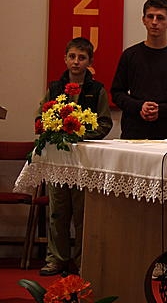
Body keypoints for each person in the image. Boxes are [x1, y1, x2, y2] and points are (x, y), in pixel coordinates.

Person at [38, 37, 113, 276]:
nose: (76, 62)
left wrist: (81, 133)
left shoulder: (97, 90)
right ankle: (56, 259)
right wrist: (55, 130)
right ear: (65, 59)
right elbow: (41, 117)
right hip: (59, 160)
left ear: (90, 61)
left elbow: (105, 123)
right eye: (72, 56)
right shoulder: (54, 88)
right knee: (58, 212)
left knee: (82, 213)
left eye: (82, 57)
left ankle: (83, 260)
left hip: (84, 160)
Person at [111, 0, 167, 140]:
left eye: (160, 18)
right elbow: (117, 93)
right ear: (143, 20)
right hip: (133, 134)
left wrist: (162, 110)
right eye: (150, 16)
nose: (154, 22)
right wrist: (139, 106)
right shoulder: (130, 55)